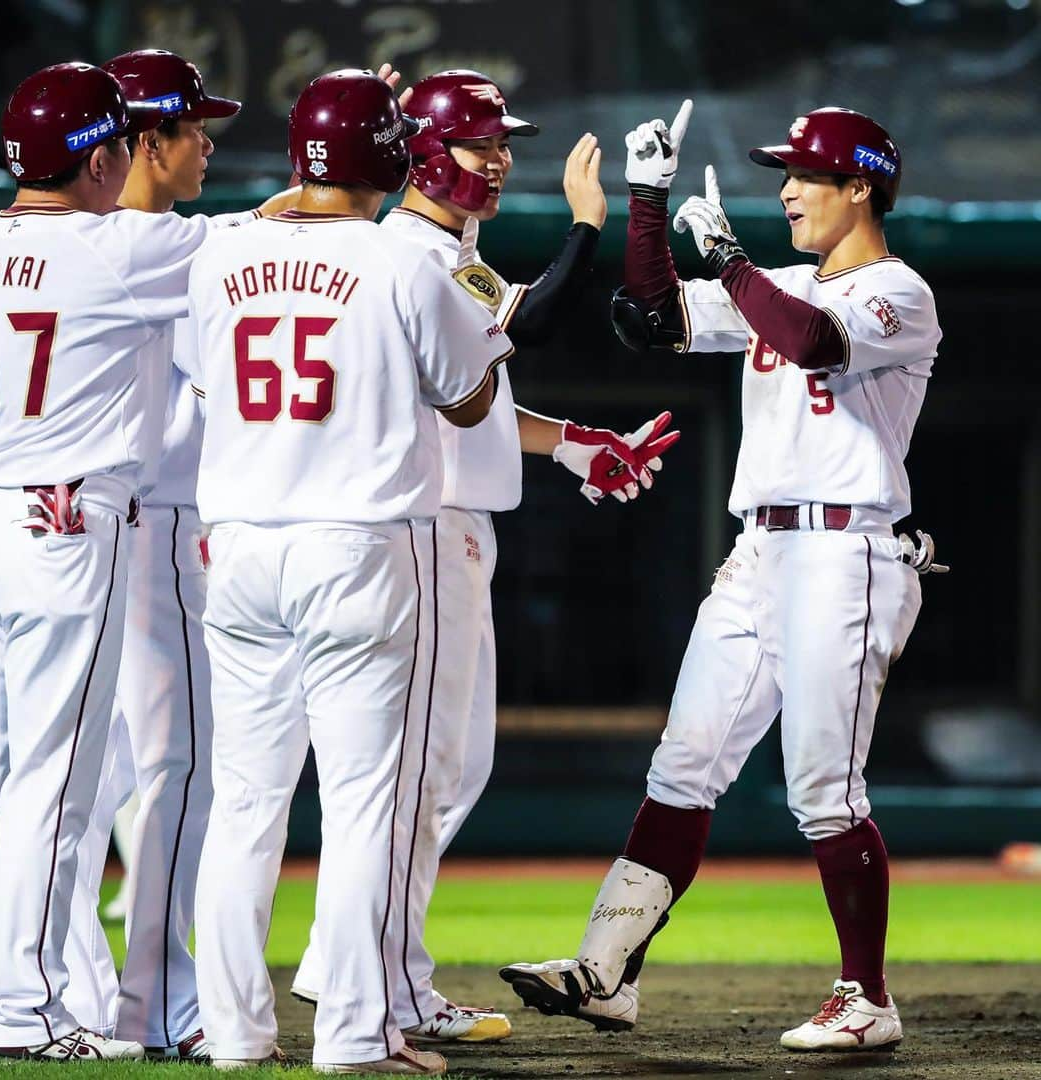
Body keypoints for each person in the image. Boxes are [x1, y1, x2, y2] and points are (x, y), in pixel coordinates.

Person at [500, 103, 946, 1052]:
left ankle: (866, 996)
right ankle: (606, 971)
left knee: (824, 787)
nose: (786, 188)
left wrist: (734, 265)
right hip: (760, 552)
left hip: (848, 551)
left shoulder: (900, 290)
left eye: (805, 175)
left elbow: (816, 340)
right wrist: (649, 203)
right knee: (685, 761)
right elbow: (654, 317)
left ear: (859, 186)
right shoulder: (774, 283)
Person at [187, 68, 595, 1075]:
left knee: (243, 806)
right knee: (374, 798)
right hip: (359, 548)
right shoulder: (402, 263)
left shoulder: (219, 255)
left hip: (238, 550)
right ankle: (359, 1034)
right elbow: (465, 401)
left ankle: (234, 1035)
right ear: (394, 154)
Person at [289, 69, 679, 1046]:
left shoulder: (442, 252)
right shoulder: (414, 251)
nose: (499, 158)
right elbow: (532, 325)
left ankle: (369, 970)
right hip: (417, 531)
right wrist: (589, 228)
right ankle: (372, 979)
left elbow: (483, 393)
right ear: (420, 150)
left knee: (439, 773)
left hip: (435, 525)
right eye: (477, 142)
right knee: (421, 774)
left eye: (503, 140)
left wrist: (578, 441)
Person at [0, 60, 223, 1061]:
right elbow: (262, 239)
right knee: (56, 780)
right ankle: (27, 1013)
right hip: (59, 523)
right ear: (105, 157)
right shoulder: (115, 245)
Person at [57, 49, 298, 1060]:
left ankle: (62, 995)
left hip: (68, 525)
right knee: (175, 771)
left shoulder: (57, 241)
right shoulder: (147, 247)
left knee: (74, 785)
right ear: (143, 141)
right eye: (194, 128)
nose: (209, 143)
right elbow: (262, 230)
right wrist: (335, 179)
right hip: (150, 531)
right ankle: (153, 1003)